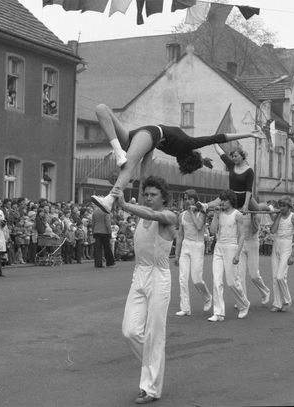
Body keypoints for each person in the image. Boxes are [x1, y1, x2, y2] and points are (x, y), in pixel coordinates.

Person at [91, 103, 264, 214]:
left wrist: (203, 160)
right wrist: (248, 134)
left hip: (140, 136)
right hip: (144, 136)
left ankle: (117, 161)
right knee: (128, 166)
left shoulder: (183, 148)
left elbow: (212, 142)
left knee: (101, 108)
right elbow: (219, 137)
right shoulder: (185, 145)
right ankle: (110, 195)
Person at [110, 176, 177, 405]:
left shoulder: (169, 216)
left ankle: (151, 388)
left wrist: (125, 205)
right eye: (146, 194)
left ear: (164, 198)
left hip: (159, 276)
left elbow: (154, 215)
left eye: (153, 195)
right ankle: (152, 365)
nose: (148, 198)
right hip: (139, 274)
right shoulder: (141, 214)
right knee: (129, 331)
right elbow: (144, 208)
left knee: (154, 334)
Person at [207, 190, 250, 322]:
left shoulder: (237, 215)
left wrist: (238, 254)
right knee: (217, 280)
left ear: (231, 201)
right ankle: (218, 313)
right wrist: (215, 215)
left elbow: (242, 235)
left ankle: (244, 304)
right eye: (221, 200)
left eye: (225, 200)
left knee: (232, 282)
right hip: (219, 247)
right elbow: (213, 231)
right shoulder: (219, 214)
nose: (222, 203)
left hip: (232, 247)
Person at [174, 189, 212, 317]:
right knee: (182, 278)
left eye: (189, 198)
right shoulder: (182, 215)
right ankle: (185, 308)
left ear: (195, 200)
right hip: (185, 245)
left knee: (196, 279)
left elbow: (199, 227)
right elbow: (180, 235)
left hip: (198, 245)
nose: (187, 201)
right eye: (185, 199)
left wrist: (191, 212)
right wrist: (177, 254)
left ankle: (207, 297)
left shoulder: (201, 212)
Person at [208, 146, 271, 212]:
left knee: (258, 208)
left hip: (244, 197)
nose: (233, 158)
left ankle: (269, 207)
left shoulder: (249, 171)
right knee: (219, 200)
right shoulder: (231, 165)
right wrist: (214, 142)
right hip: (232, 195)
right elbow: (221, 154)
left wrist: (246, 205)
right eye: (232, 156)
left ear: (242, 156)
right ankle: (205, 205)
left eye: (235, 156)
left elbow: (249, 190)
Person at [269, 195, 294, 312]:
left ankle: (287, 300)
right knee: (274, 277)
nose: (281, 208)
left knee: (280, 276)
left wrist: (292, 255)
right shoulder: (279, 216)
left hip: (286, 246)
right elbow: (273, 230)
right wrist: (277, 216)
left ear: (289, 206)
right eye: (280, 205)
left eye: (283, 206)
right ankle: (277, 303)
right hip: (276, 244)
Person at [238, 213, 271, 305]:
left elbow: (255, 229)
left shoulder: (256, 214)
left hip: (252, 243)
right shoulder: (237, 212)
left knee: (254, 275)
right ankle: (242, 299)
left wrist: (252, 215)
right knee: (240, 275)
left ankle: (265, 291)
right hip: (240, 243)